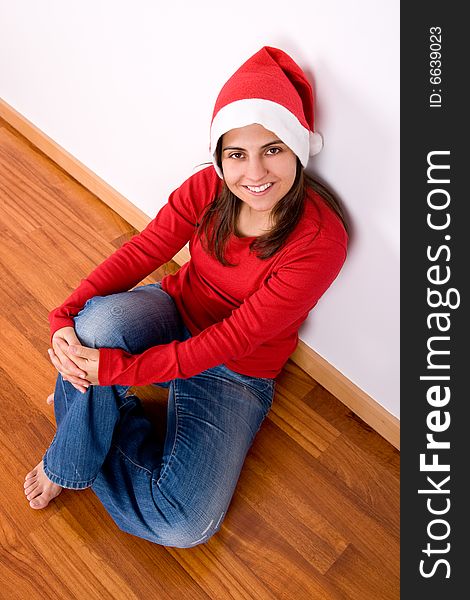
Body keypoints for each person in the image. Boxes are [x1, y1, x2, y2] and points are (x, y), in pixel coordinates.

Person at [23, 46, 348, 547]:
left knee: (182, 523)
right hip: (178, 309)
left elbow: (234, 338)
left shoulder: (320, 241)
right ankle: (73, 447)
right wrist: (63, 313)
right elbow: (145, 249)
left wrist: (114, 374)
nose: (255, 174)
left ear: (299, 150)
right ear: (219, 157)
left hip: (238, 365)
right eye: (237, 154)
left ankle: (84, 414)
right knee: (92, 326)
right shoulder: (208, 189)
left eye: (273, 150)